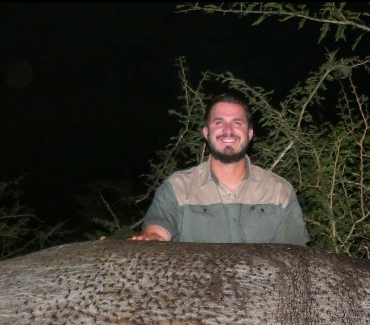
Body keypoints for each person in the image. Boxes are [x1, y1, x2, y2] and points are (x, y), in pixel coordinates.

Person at [130, 93, 309, 244]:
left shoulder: (279, 191)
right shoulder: (177, 188)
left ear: (250, 134)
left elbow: (296, 258)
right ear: (206, 133)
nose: (228, 130)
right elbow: (156, 235)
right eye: (219, 122)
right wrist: (152, 239)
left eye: (237, 123)